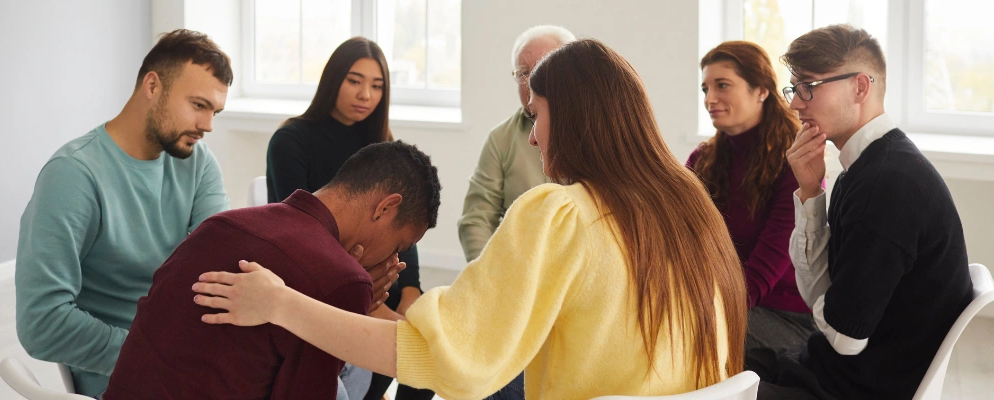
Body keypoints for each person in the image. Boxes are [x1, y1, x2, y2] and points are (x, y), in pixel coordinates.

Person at [192, 39, 748, 400]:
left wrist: (280, 303)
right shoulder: (691, 211)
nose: (533, 136)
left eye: (537, 116)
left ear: (573, 118)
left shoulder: (558, 214)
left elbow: (441, 359)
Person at [103, 141, 440, 400]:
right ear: (385, 207)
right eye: (398, 245)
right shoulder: (343, 279)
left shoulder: (222, 223)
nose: (391, 260)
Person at [747, 24, 974, 400]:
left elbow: (844, 336)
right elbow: (827, 301)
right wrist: (809, 191)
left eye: (809, 87)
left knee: (705, 370)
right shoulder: (871, 166)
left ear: (860, 87)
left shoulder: (886, 186)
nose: (794, 103)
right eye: (794, 88)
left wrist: (829, 309)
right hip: (832, 369)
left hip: (849, 388)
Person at [14, 29, 233, 397]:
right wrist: (155, 352)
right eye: (198, 105)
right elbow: (41, 323)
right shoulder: (73, 175)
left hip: (193, 355)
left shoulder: (198, 164)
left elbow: (216, 271)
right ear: (152, 86)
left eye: (215, 111)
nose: (208, 125)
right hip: (132, 373)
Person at [263, 36, 432, 400]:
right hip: (320, 276)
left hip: (375, 275)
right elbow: (294, 231)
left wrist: (412, 293)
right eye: (355, 81)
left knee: (427, 346)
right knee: (403, 345)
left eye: (376, 86)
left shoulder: (382, 144)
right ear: (333, 80)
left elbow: (404, 231)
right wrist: (374, 304)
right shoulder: (290, 141)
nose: (365, 95)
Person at [688, 41, 814, 354]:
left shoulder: (795, 162)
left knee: (684, 334)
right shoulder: (702, 159)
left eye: (722, 85)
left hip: (785, 317)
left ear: (761, 90)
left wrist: (702, 311)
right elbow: (680, 239)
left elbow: (763, 272)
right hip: (721, 300)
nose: (710, 99)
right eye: (705, 89)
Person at [458, 25, 574, 262]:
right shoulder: (500, 139)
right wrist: (487, 276)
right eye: (523, 72)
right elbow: (477, 219)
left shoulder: (599, 131)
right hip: (521, 268)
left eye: (543, 68)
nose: (532, 80)